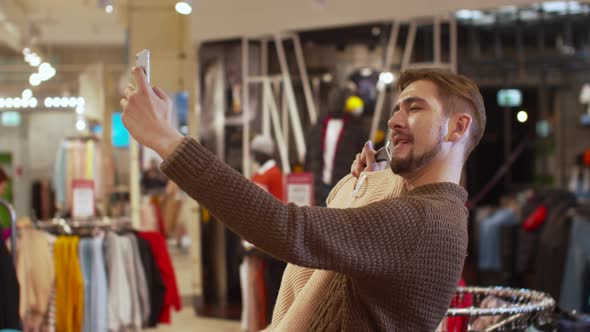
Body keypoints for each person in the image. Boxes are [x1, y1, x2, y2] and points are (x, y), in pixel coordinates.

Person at [121, 67, 486, 330]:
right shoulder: (430, 210)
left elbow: (286, 228)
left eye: (415, 108)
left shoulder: (422, 221)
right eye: (397, 109)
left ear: (458, 126)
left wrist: (168, 142)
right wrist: (368, 188)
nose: (395, 120)